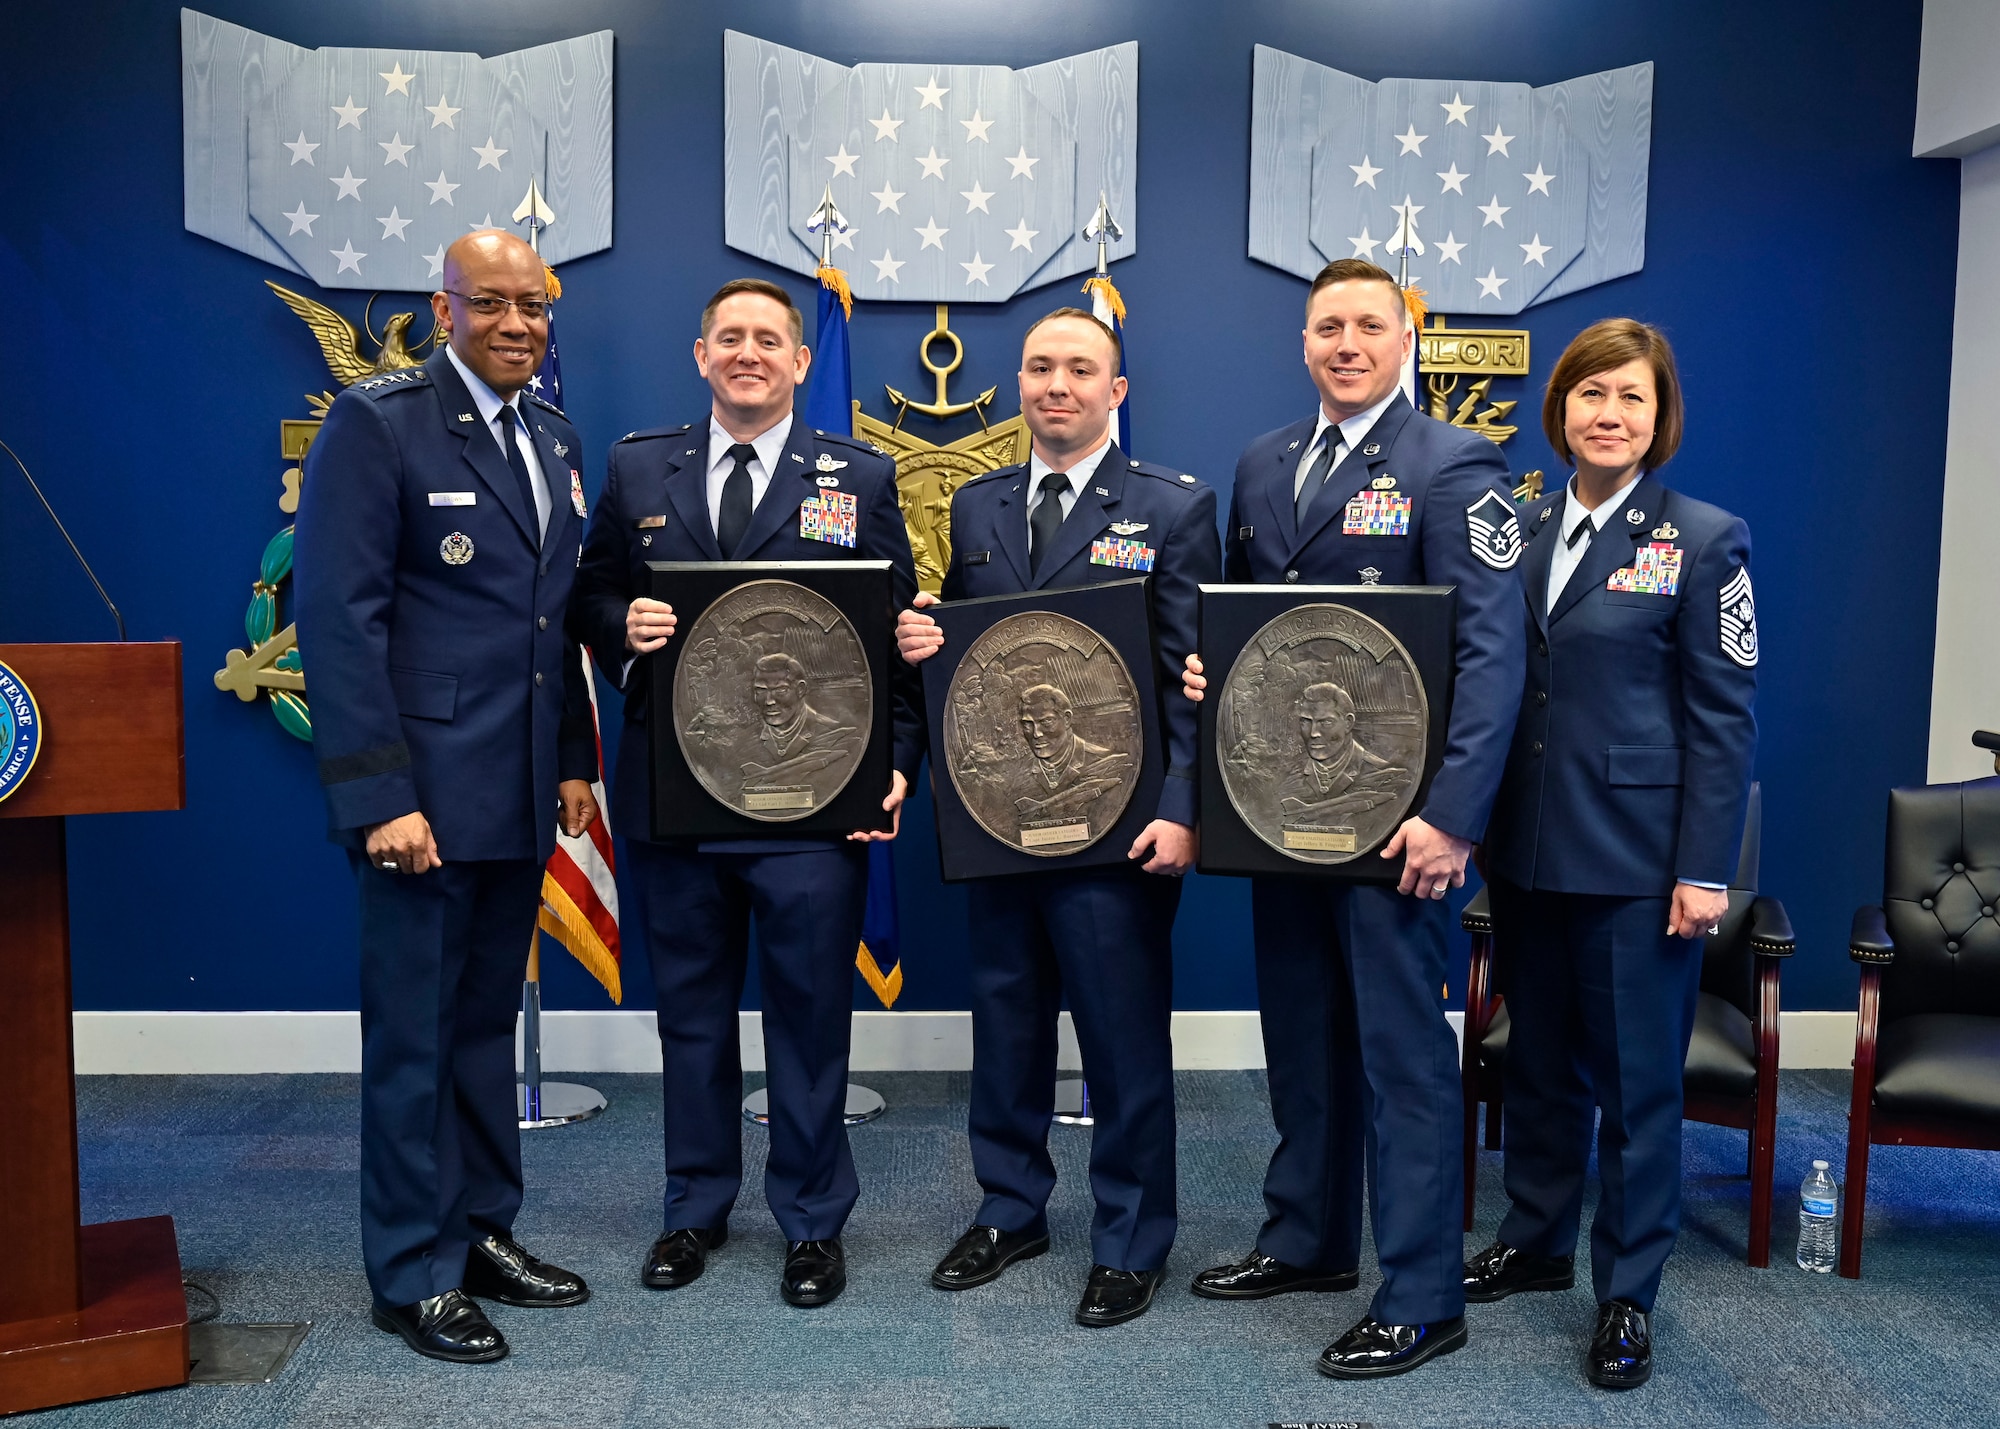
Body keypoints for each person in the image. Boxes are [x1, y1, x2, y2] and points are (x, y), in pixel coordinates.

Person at [1181, 258, 1525, 1378]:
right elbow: (1255, 632)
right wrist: (1209, 680)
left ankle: (1422, 1293)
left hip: (1395, 829)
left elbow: (1488, 657)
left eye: (1366, 325)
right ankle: (1308, 1239)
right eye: (1326, 325)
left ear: (1404, 335)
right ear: (1302, 342)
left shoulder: (1456, 464)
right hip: (1278, 818)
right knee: (1303, 1041)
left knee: (1400, 1063)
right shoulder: (1263, 461)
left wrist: (1452, 819)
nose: (1344, 343)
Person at [568, 278, 921, 1309]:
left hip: (811, 801)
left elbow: (893, 639)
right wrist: (618, 625)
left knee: (810, 1018)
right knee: (690, 1015)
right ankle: (693, 1209)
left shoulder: (856, 474)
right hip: (672, 797)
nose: (750, 354)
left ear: (801, 362)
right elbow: (588, 592)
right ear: (701, 353)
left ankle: (811, 1224)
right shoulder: (641, 464)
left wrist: (896, 761)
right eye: (730, 338)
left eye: (769, 339)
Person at [294, 230, 599, 1364]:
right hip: (418, 800)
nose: (516, 323)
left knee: (478, 1030)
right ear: (445, 306)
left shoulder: (556, 436)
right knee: (416, 1041)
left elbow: (550, 624)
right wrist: (379, 797)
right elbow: (337, 620)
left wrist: (573, 760)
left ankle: (480, 1231)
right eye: (492, 304)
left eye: (534, 305)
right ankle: (411, 1269)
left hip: (515, 791)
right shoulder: (378, 422)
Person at [896, 307, 1221, 1328]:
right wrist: (920, 639)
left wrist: (1181, 809)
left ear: (1113, 390)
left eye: (1080, 369)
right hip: (997, 816)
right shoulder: (976, 505)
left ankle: (1129, 1237)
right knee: (1006, 1022)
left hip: (1118, 830)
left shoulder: (1171, 507)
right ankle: (1010, 1207)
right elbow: (963, 652)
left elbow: (1190, 682)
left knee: (1122, 1039)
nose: (1056, 385)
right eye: (1039, 367)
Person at [1463, 318, 1757, 1390]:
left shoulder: (1704, 536)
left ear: (1657, 416)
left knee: (1636, 1092)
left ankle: (1625, 1293)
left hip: (1638, 865)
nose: (1607, 415)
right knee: (1537, 1064)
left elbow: (1722, 716)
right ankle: (1535, 1239)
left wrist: (1702, 867)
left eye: (1629, 398)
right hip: (1527, 852)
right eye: (1591, 395)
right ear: (1560, 409)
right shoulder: (1520, 527)